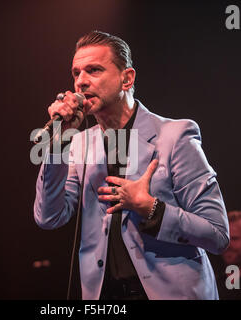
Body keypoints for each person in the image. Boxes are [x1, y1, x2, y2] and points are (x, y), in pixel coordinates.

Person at [33, 31, 229, 300]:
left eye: (93, 70)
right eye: (76, 73)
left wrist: (152, 209)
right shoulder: (78, 145)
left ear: (127, 78)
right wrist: (58, 142)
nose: (81, 82)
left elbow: (217, 234)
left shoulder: (175, 135)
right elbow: (48, 217)